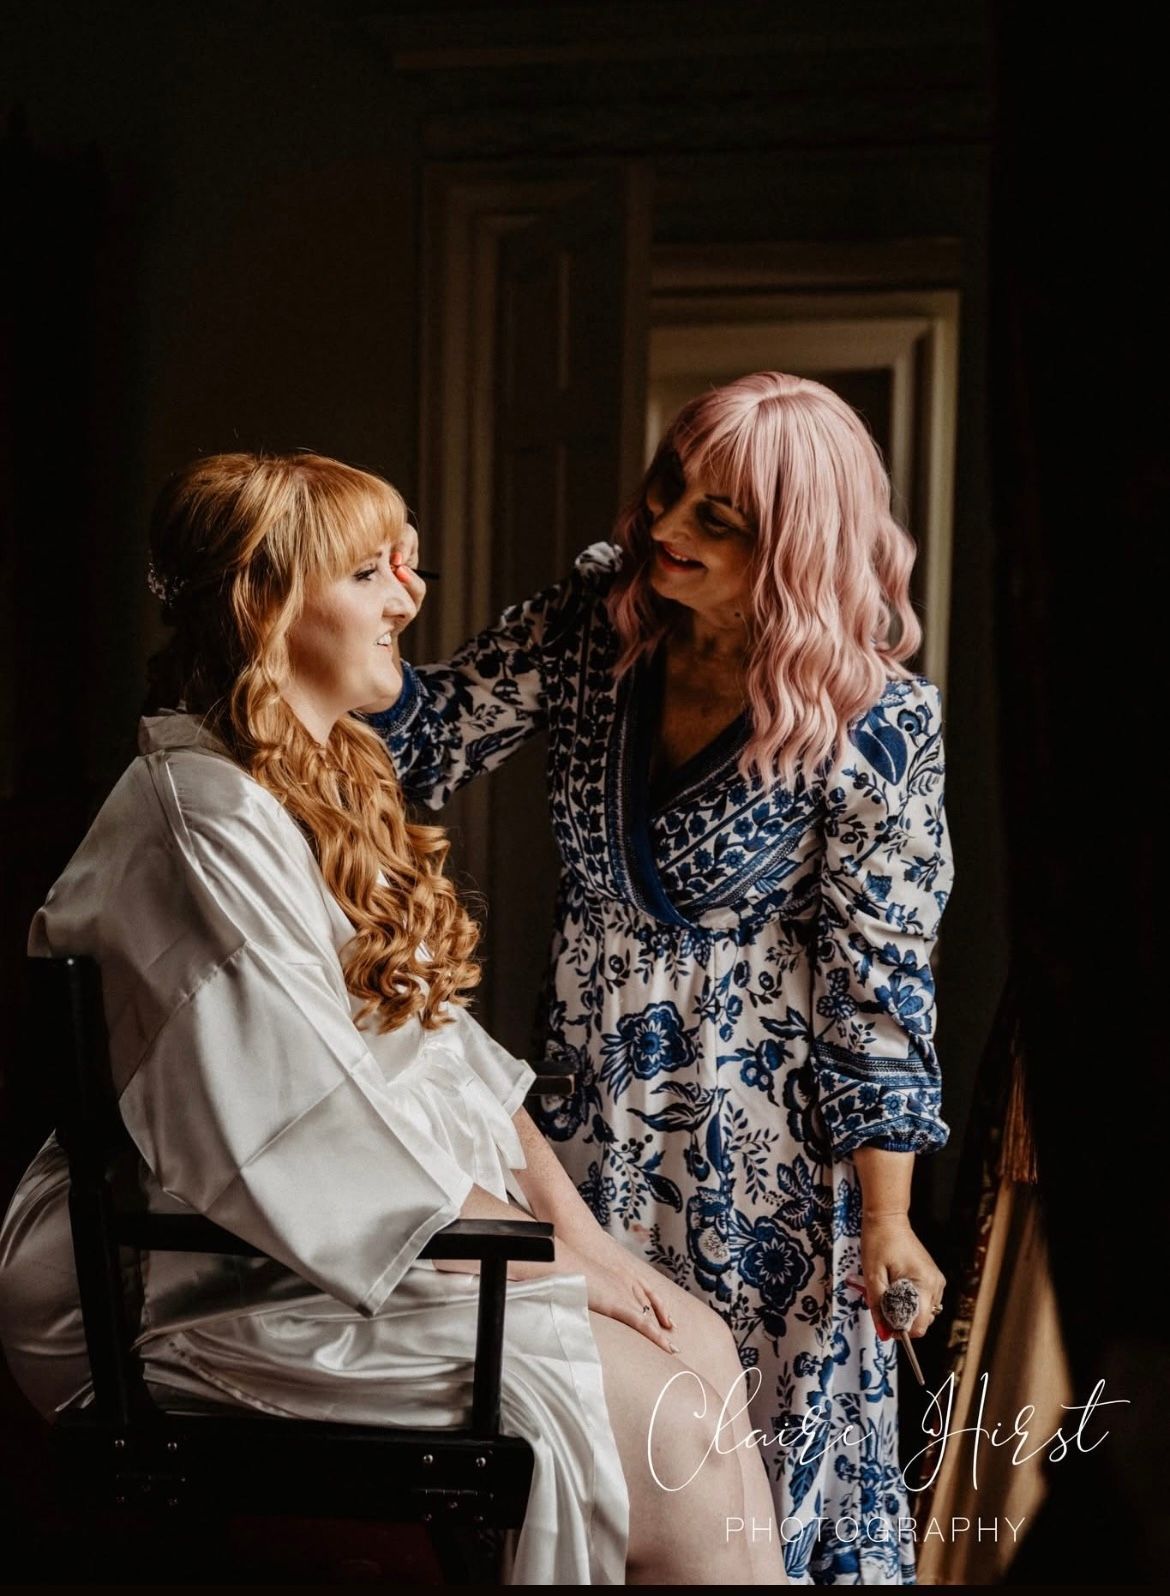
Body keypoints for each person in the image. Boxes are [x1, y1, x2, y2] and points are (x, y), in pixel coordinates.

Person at [0, 452, 788, 1587]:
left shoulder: (317, 777)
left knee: (702, 1344)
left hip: (359, 1236)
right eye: (369, 572)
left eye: (404, 565)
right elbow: (307, 1125)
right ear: (266, 606)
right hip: (214, 1280)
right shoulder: (200, 820)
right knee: (678, 1434)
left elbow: (442, 1052)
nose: (410, 599)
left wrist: (586, 1244)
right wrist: (544, 1262)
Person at [368, 372, 954, 1584]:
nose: (665, 525)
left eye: (716, 518)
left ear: (796, 544)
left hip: (762, 1166)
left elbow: (880, 994)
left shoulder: (878, 721)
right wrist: (327, 607)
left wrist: (887, 1221)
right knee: (590, 1452)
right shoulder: (596, 622)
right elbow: (424, 738)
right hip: (584, 1120)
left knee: (748, 1482)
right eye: (668, 487)